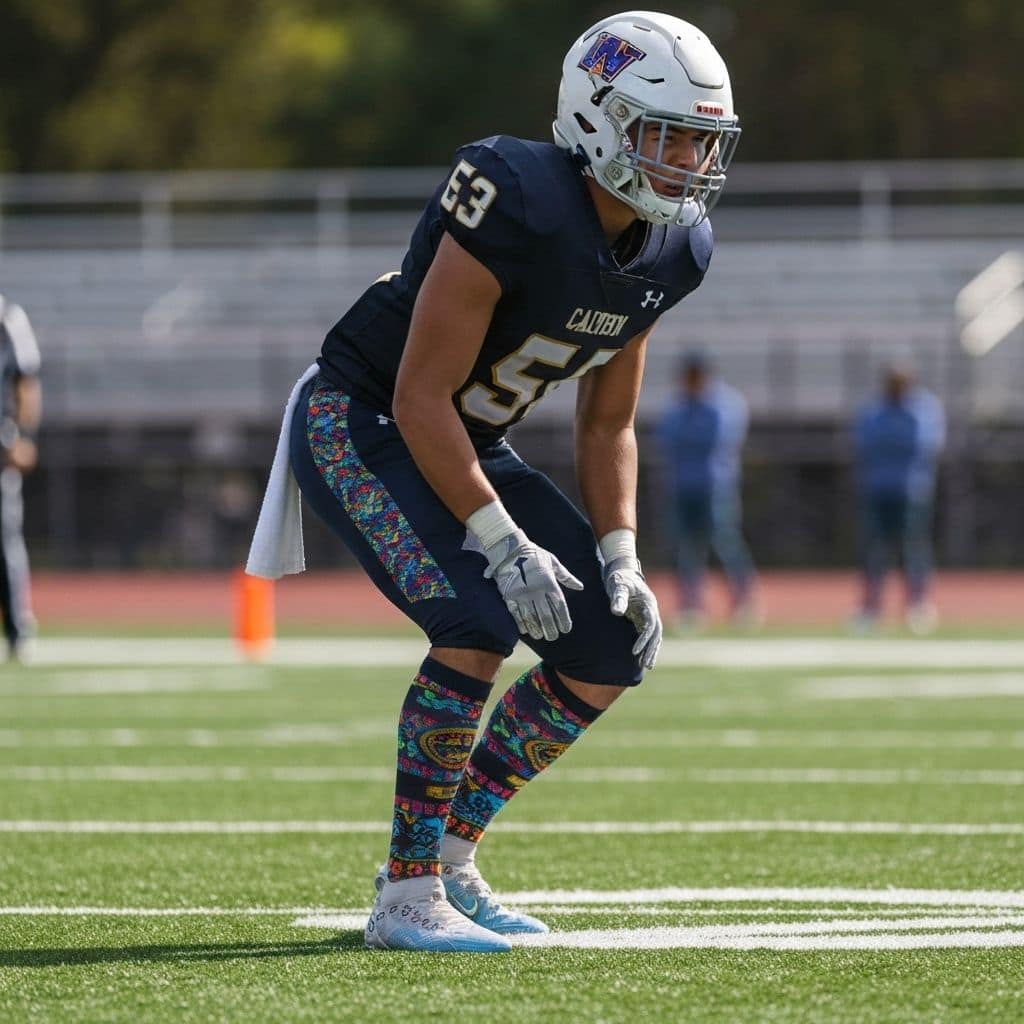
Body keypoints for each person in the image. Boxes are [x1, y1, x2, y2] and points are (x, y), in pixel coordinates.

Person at [248, 10, 740, 952]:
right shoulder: (514, 193)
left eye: (700, 140)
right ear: (597, 119)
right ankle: (404, 893)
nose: (687, 161)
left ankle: (450, 855)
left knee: (608, 646)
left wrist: (622, 554)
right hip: (365, 417)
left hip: (461, 434)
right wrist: (503, 540)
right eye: (665, 133)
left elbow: (609, 419)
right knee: (479, 618)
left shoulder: (678, 250)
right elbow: (420, 392)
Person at [656, 352, 755, 627]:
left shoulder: (725, 404)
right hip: (681, 486)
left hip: (715, 486)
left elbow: (714, 439)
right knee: (685, 547)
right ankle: (691, 605)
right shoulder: (678, 406)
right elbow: (666, 439)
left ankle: (743, 602)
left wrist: (688, 437)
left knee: (725, 543)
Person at [851, 362, 945, 634]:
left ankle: (917, 604)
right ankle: (871, 607)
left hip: (911, 490)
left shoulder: (924, 409)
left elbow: (921, 444)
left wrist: (889, 441)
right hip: (877, 489)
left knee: (913, 548)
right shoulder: (873, 409)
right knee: (874, 550)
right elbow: (864, 443)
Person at [0, 297, 42, 661]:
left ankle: (17, 628)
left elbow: (26, 382)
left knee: (5, 539)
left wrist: (23, 438)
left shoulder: (8, 318)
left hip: (0, 447)